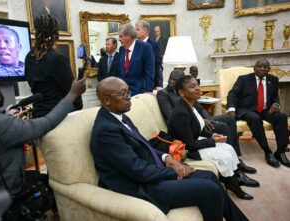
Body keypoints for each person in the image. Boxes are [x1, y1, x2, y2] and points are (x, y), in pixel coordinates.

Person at [90, 77, 248, 221]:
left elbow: (144, 146)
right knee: (209, 190)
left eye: (128, 91)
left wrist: (167, 158)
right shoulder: (106, 131)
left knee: (210, 177)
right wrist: (176, 170)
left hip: (149, 173)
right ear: (107, 100)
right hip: (139, 186)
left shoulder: (120, 116)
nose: (129, 96)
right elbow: (137, 170)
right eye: (123, 94)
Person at [0, 71, 86, 204]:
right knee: (49, 183)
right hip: (3, 197)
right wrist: (73, 94)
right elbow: (47, 123)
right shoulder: (0, 125)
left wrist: (6, 118)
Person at [157, 70, 258, 179]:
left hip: (199, 120)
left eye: (175, 80)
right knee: (222, 126)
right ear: (181, 90)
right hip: (186, 124)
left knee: (229, 119)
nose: (172, 81)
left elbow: (199, 109)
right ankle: (236, 169)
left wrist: (206, 119)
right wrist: (201, 122)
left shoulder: (190, 94)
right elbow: (171, 115)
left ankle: (237, 160)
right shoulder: (164, 94)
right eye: (171, 78)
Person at [226, 59, 290, 168]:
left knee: (282, 117)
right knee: (255, 118)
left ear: (269, 69)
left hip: (266, 109)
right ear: (254, 68)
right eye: (259, 66)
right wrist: (231, 108)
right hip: (246, 109)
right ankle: (267, 151)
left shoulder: (273, 79)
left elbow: (275, 96)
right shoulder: (244, 79)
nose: (262, 68)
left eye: (265, 67)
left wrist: (276, 104)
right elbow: (233, 94)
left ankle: (280, 151)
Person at [25, 15, 82, 118]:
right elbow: (71, 89)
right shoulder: (57, 58)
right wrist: (79, 106)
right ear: (56, 34)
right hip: (57, 115)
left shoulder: (29, 57)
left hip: (38, 114)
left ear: (37, 32)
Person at [118, 23, 155, 96]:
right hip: (124, 93)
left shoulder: (145, 47)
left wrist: (148, 92)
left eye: (121, 36)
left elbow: (149, 71)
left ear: (128, 36)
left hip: (139, 92)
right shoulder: (121, 49)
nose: (119, 39)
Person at [135, 20, 163, 89]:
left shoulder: (154, 44)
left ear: (145, 30)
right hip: (137, 84)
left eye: (137, 30)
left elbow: (158, 65)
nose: (135, 32)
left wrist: (158, 84)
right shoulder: (135, 45)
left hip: (151, 84)